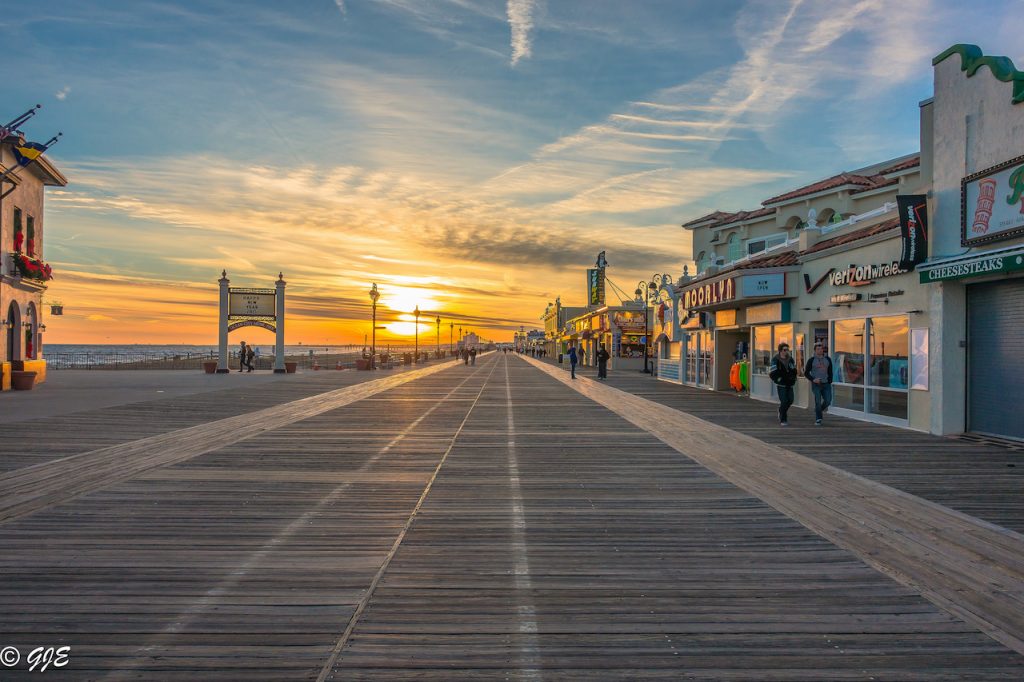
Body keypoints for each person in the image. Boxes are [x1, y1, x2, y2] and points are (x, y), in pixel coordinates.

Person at [804, 342, 834, 426]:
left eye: (821, 348)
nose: (820, 350)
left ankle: (818, 410)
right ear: (815, 350)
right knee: (817, 401)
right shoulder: (811, 360)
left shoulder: (828, 359)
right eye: (818, 349)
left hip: (826, 384)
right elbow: (806, 373)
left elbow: (830, 371)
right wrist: (813, 379)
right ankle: (818, 419)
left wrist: (829, 381)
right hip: (816, 384)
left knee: (828, 401)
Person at [769, 342, 798, 426]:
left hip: (790, 383)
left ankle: (781, 410)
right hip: (781, 384)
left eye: (787, 350)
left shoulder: (790, 359)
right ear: (780, 351)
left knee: (790, 400)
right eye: (784, 350)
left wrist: (793, 377)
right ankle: (783, 419)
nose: (786, 352)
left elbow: (794, 370)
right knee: (784, 401)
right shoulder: (775, 360)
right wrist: (778, 379)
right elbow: (772, 372)